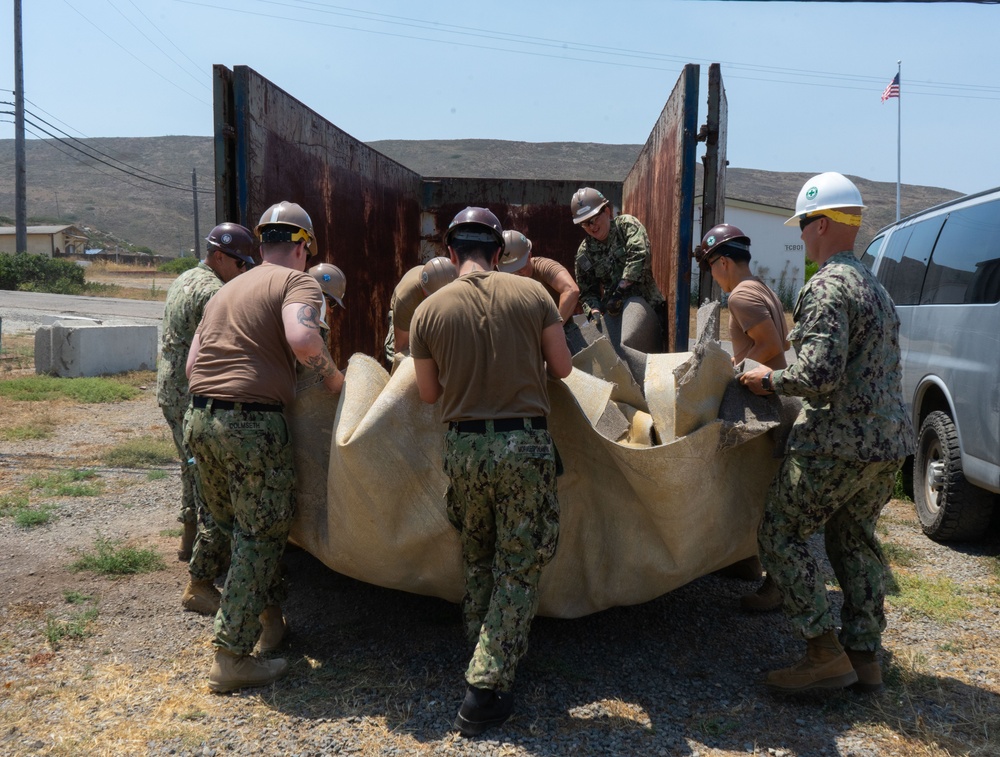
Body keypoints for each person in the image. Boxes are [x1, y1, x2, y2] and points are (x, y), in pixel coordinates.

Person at [740, 172, 914, 695]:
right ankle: (864, 656)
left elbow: (817, 374)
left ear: (821, 224)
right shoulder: (874, 286)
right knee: (853, 539)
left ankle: (822, 652)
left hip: (838, 443)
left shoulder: (826, 285)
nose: (801, 235)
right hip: (887, 446)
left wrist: (767, 379)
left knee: (780, 533)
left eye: (803, 225)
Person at [410, 207, 572, 737]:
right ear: (499, 253)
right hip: (524, 445)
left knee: (477, 554)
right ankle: (484, 689)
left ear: (451, 252)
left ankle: (483, 646)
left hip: (464, 447)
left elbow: (428, 394)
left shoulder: (428, 311)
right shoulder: (534, 295)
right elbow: (563, 367)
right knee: (519, 565)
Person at [185, 200, 345, 693]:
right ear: (303, 247)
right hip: (251, 424)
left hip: (200, 420)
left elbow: (192, 365)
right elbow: (303, 339)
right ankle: (231, 656)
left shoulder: (227, 289)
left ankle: (270, 623)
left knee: (240, 529)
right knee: (263, 534)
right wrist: (335, 380)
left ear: (261, 244)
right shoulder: (298, 283)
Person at [157, 223, 254, 619]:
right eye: (239, 263)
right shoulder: (212, 291)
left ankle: (188, 539)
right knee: (208, 481)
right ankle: (204, 573)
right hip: (192, 394)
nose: (243, 270)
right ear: (218, 256)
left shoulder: (184, 278)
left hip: (171, 388)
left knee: (191, 466)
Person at [696, 223, 790, 613]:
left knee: (764, 495)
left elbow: (770, 345)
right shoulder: (761, 287)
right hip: (774, 398)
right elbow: (779, 342)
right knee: (753, 485)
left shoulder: (740, 295)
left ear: (723, 262)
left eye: (711, 266)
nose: (712, 274)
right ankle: (745, 559)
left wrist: (732, 371)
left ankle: (778, 585)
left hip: (764, 403)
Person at [570, 186, 665, 327]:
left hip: (650, 308)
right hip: (616, 318)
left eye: (594, 219)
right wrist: (593, 310)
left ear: (607, 211)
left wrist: (619, 292)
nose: (592, 227)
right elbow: (587, 291)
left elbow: (639, 256)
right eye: (585, 224)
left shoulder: (627, 226)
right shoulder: (584, 253)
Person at [382, 256, 457, 365]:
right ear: (425, 292)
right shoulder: (406, 299)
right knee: (397, 357)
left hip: (431, 314)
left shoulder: (452, 281)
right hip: (408, 316)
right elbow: (400, 347)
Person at [498, 229, 581, 327]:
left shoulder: (543, 267)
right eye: (511, 270)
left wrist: (554, 328)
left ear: (529, 256)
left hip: (562, 329)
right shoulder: (501, 281)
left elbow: (571, 290)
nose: (516, 274)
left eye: (520, 268)